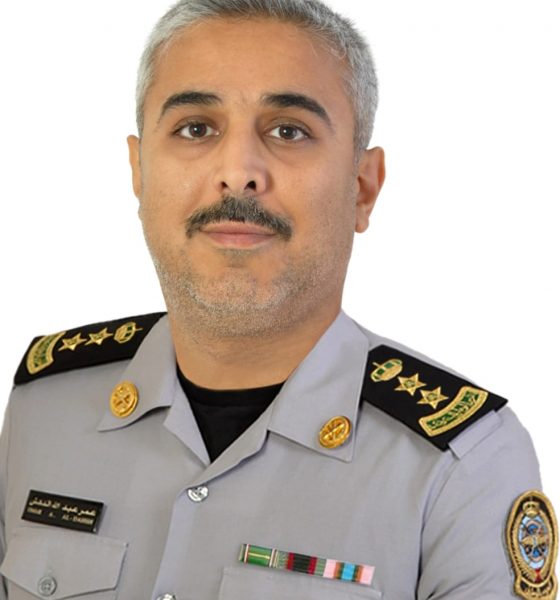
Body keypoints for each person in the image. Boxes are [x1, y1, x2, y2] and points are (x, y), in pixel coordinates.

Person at [0, 0, 556, 598]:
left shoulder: (463, 466)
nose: (238, 171)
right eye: (195, 128)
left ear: (362, 187)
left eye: (288, 130)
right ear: (139, 172)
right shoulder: (45, 407)